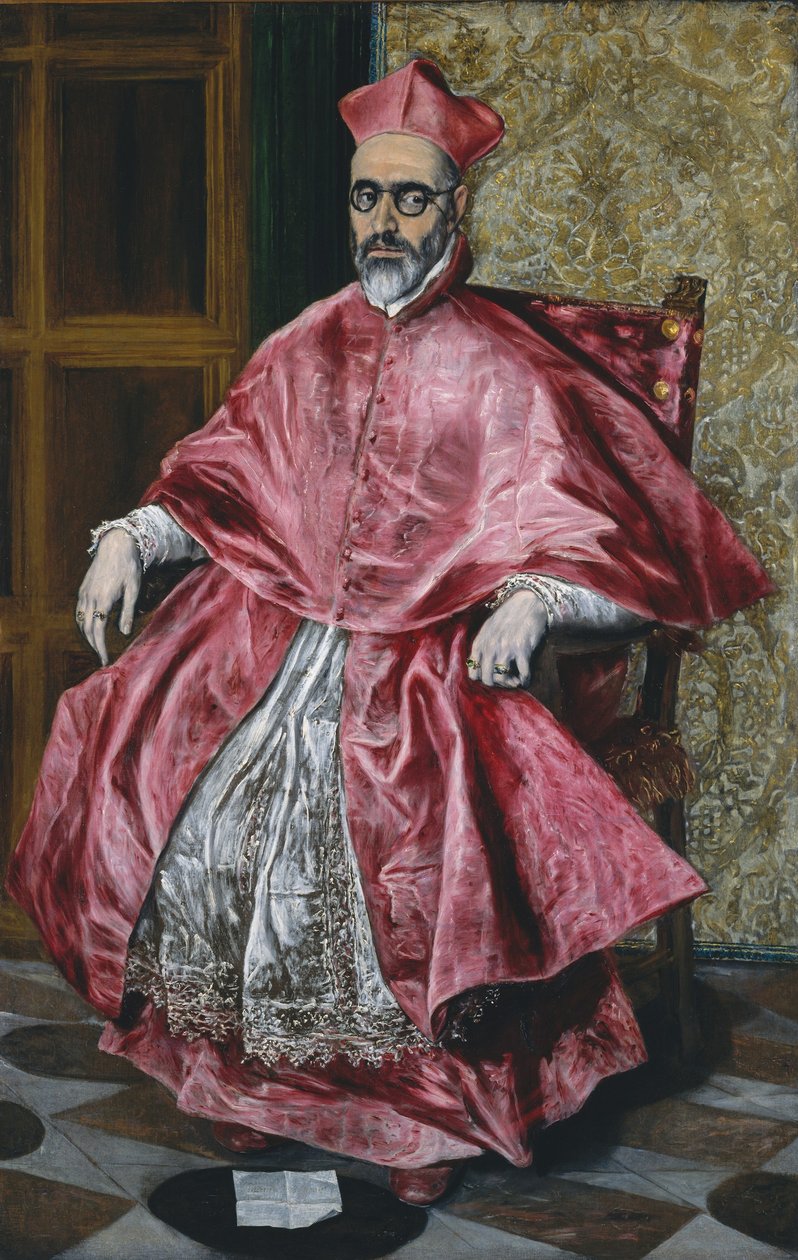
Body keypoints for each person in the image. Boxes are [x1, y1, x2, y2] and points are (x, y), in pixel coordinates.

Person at [6, 59, 772, 1206]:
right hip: (278, 639)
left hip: (434, 663)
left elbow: (603, 552)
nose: (385, 222)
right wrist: (132, 536)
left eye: (411, 199)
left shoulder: (509, 371)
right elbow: (223, 483)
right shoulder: (305, 343)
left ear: (456, 209)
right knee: (166, 765)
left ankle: (425, 1116)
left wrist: (535, 602)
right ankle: (247, 1080)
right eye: (368, 197)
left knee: (407, 819)